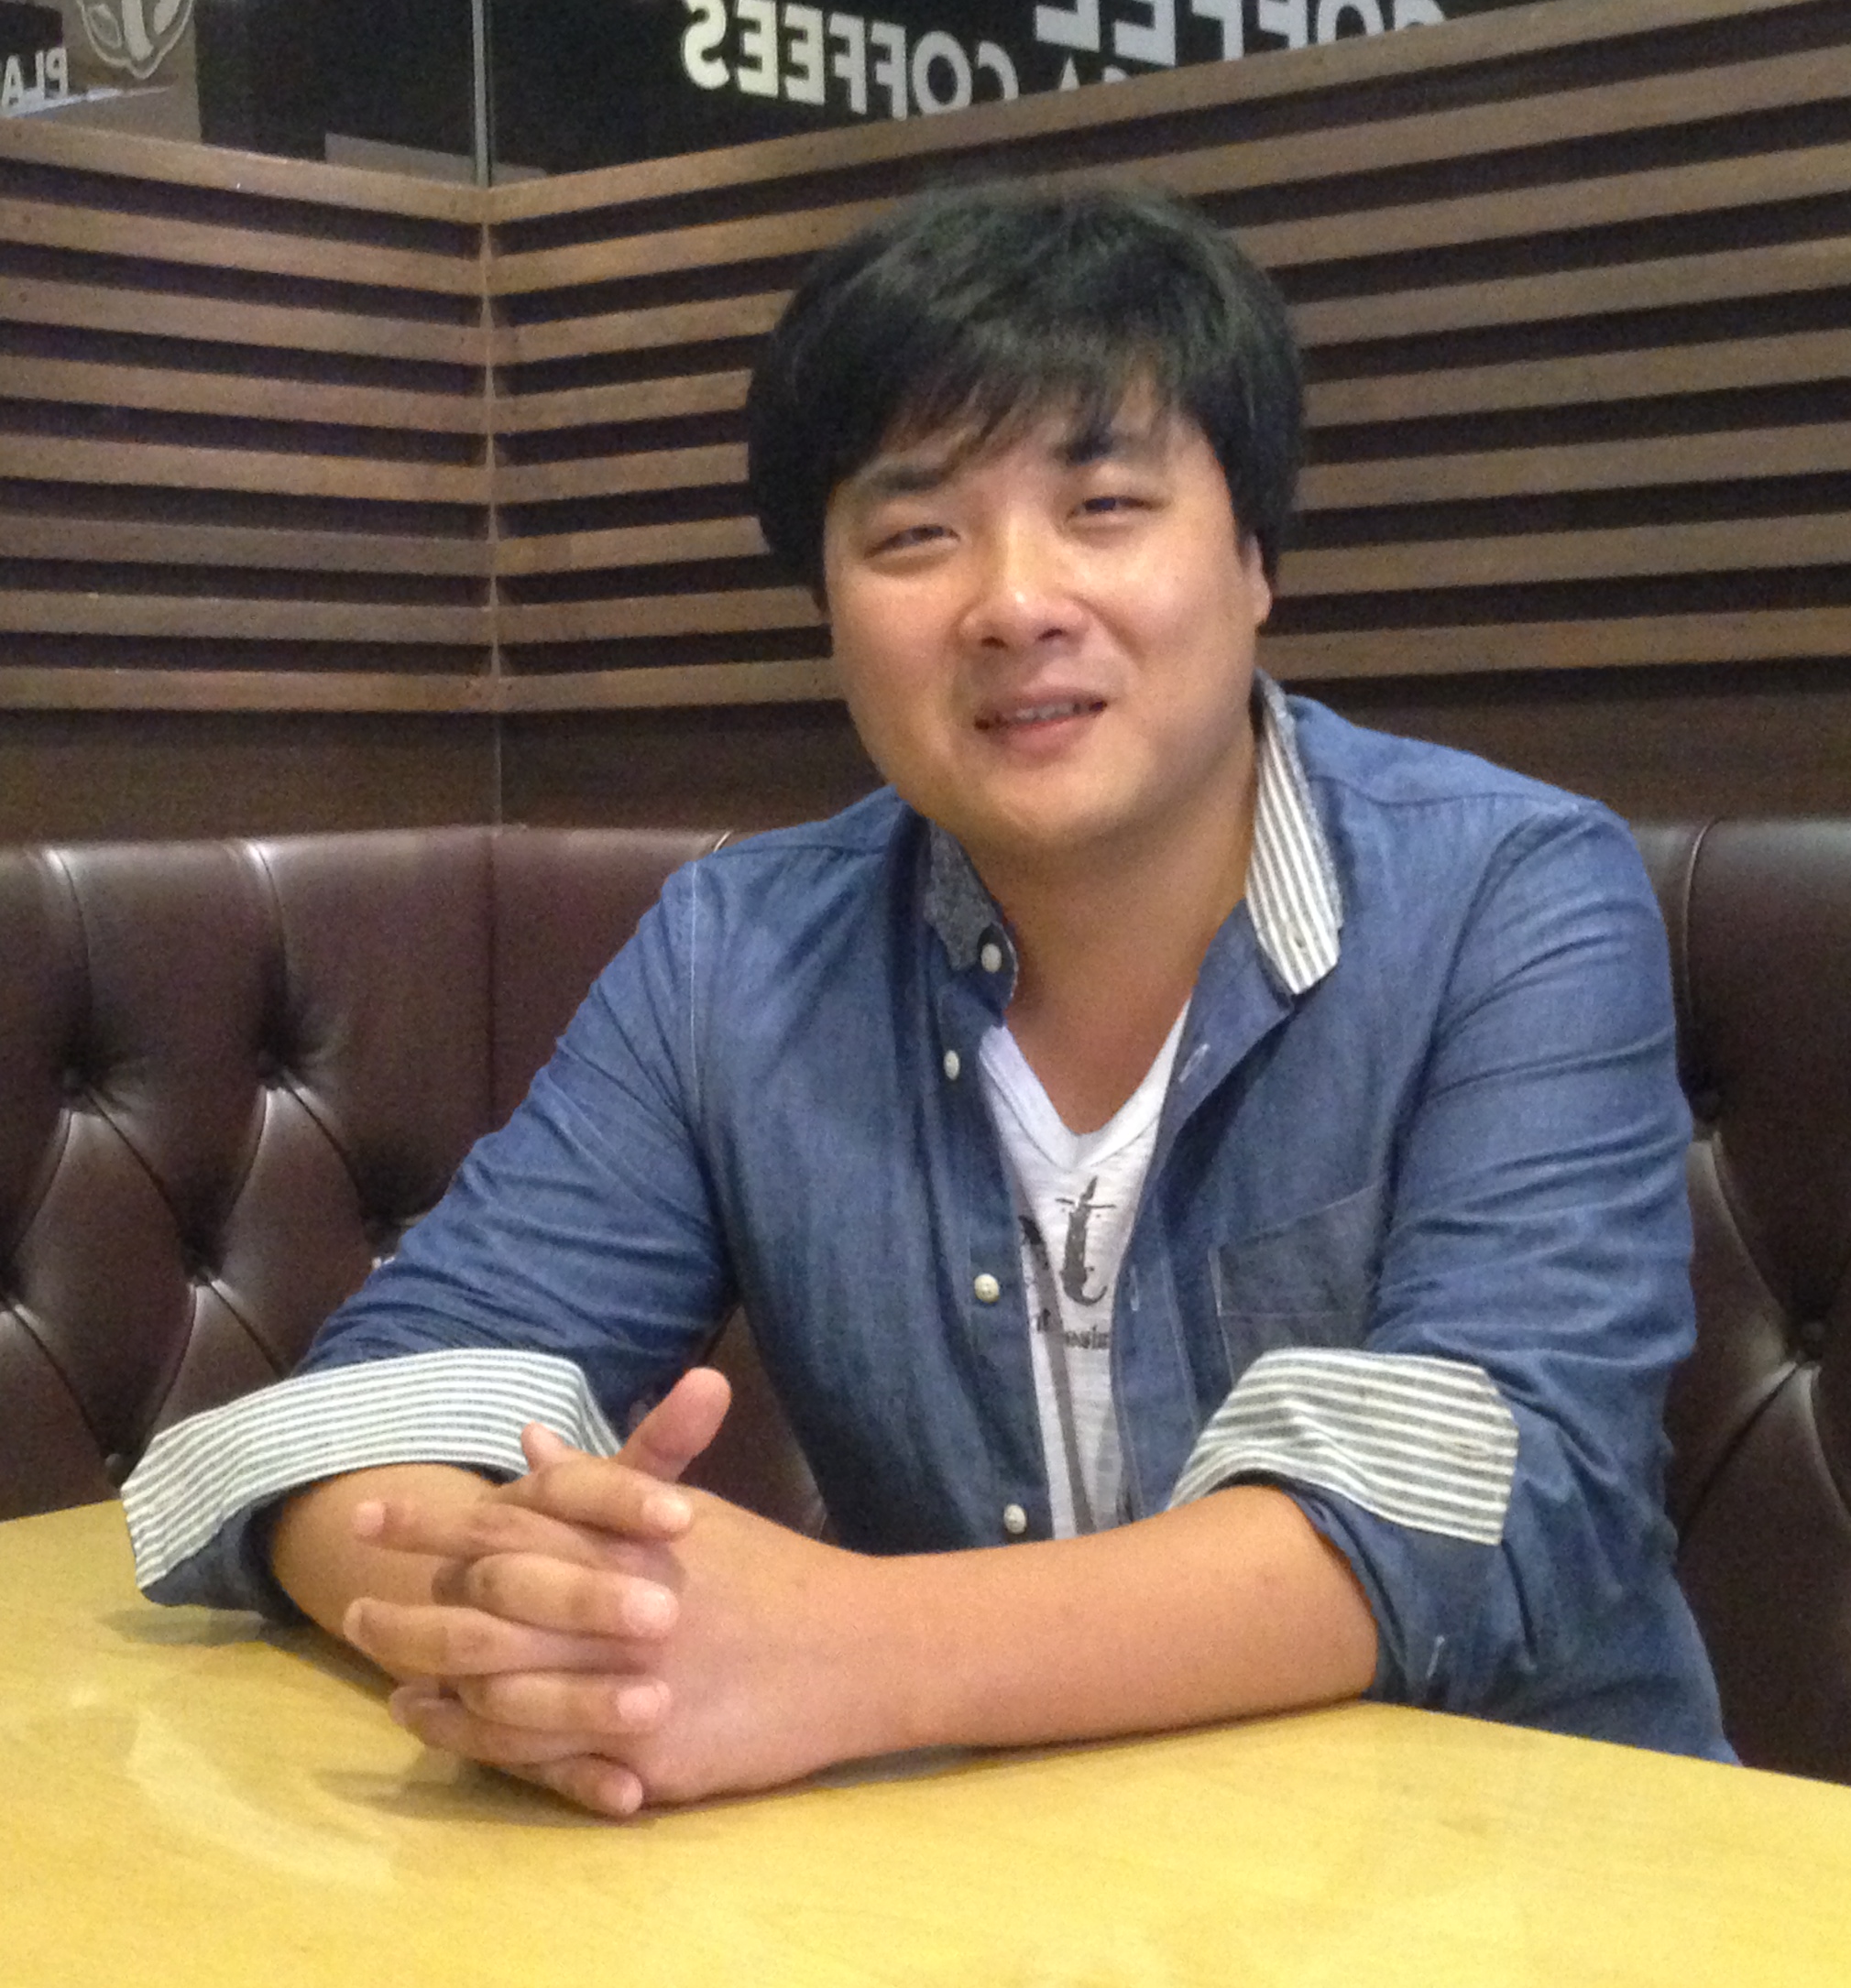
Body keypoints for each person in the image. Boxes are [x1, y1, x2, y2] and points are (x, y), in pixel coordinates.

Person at [123, 180, 1728, 1816]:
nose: (1015, 602)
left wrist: (846, 1652)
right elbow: (366, 1417)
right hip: (980, 1892)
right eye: (914, 535)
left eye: (1104, 505)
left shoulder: (1509, 895)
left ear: (1254, 558)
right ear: (829, 608)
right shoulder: (737, 959)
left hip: (1524, 1871)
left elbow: (1488, 1497)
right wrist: (570, 1631)